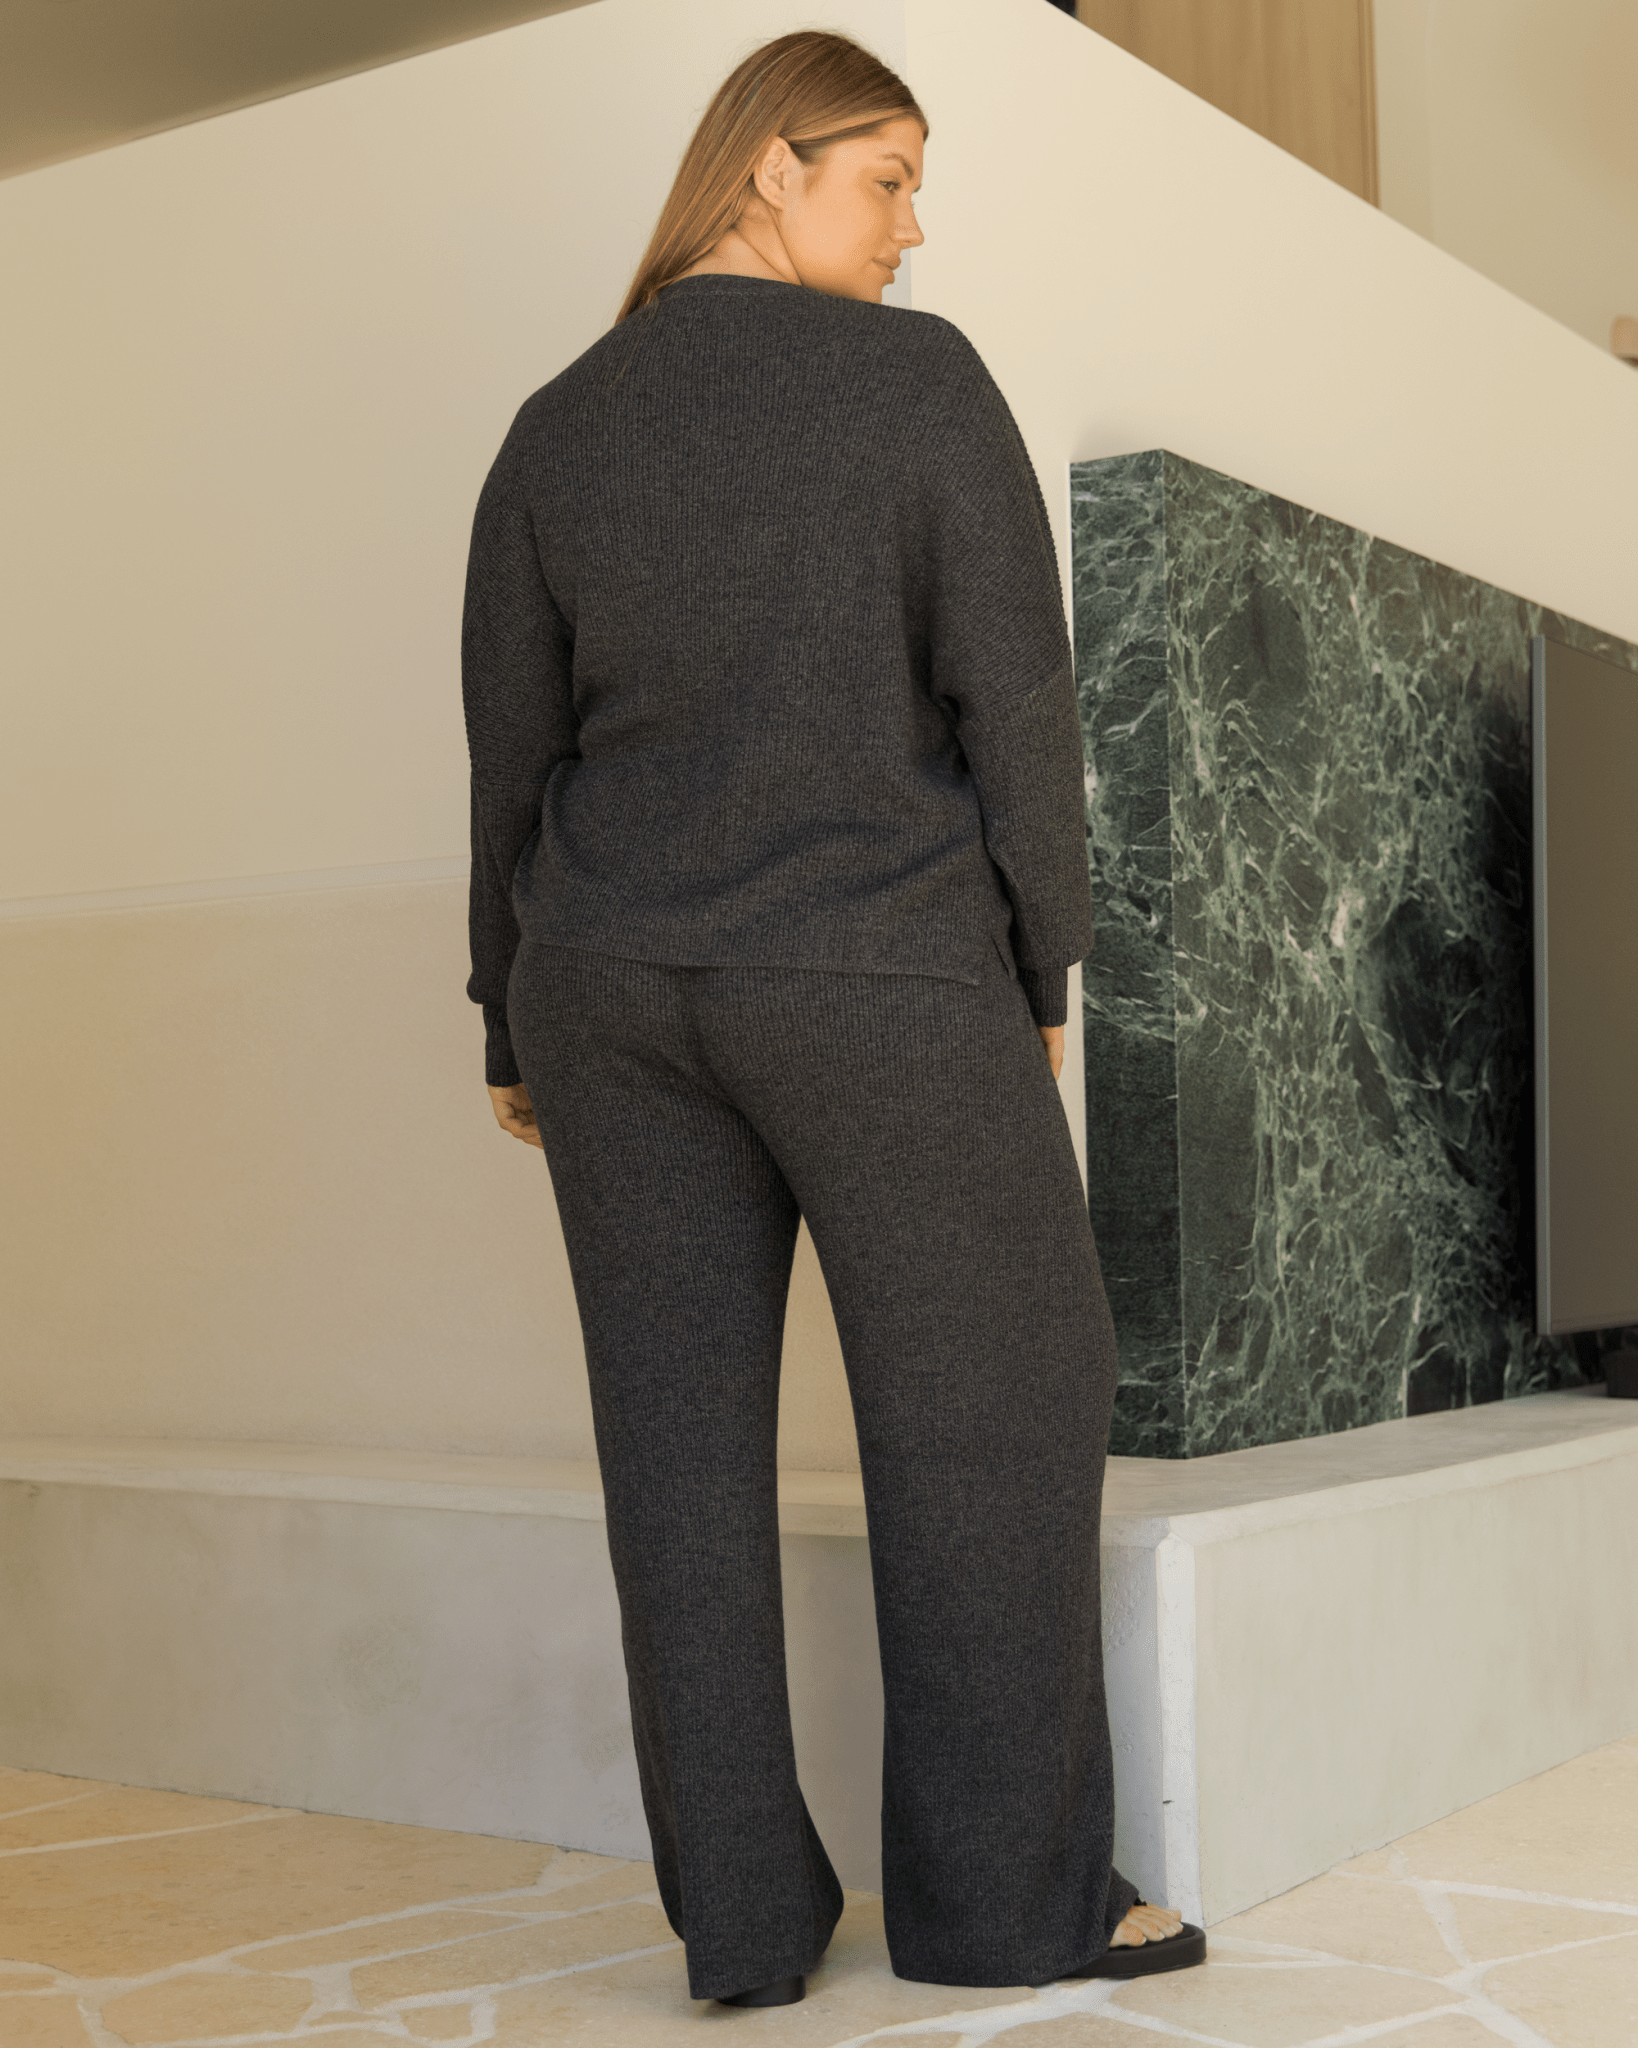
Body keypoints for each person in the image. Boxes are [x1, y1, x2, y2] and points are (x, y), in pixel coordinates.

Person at [461, 28, 1205, 2011]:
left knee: (677, 1459)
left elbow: (511, 753)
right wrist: (1040, 965)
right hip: (874, 968)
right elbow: (1015, 702)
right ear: (765, 169)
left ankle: (744, 1928)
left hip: (609, 993)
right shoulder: (914, 381)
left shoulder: (555, 428)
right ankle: (1003, 1909)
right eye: (885, 177)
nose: (910, 226)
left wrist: (511, 1020)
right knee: (1002, 1403)